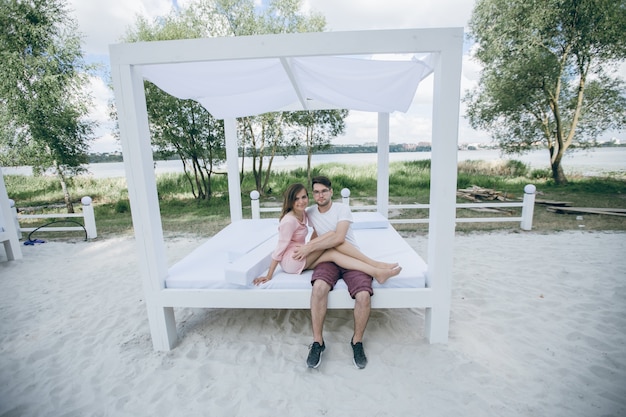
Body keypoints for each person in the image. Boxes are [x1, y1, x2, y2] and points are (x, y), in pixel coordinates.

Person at [292, 176, 390, 370]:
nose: (320, 195)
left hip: (350, 258)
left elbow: (338, 238)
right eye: (316, 192)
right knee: (319, 287)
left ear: (331, 191)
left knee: (363, 295)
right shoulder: (310, 212)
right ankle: (318, 342)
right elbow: (298, 220)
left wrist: (310, 246)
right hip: (328, 258)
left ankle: (357, 342)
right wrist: (304, 247)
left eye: (324, 191)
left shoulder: (341, 209)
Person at [253, 183, 400, 286]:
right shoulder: (289, 221)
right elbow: (279, 248)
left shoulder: (304, 214)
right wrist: (269, 274)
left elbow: (315, 234)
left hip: (300, 254)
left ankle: (376, 271)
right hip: (292, 259)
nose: (301, 201)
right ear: (290, 201)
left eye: (304, 197)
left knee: (333, 253)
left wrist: (311, 246)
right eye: (296, 199)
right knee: (333, 237)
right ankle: (375, 264)